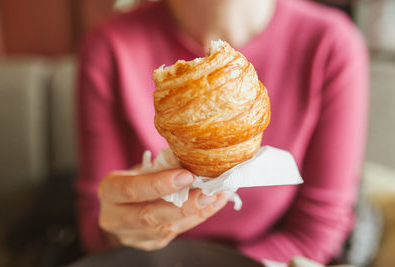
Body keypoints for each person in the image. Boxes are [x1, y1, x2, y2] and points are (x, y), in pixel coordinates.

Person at [76, 0, 369, 264]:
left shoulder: (331, 44)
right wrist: (118, 229)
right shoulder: (108, 46)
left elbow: (319, 231)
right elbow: (96, 228)